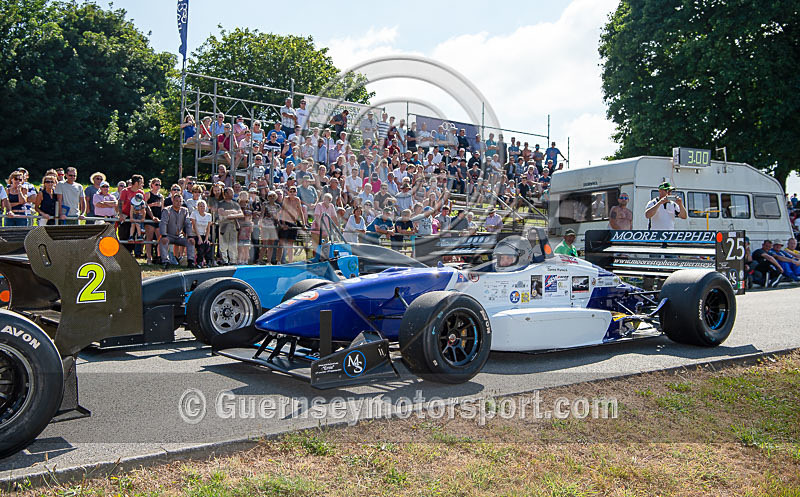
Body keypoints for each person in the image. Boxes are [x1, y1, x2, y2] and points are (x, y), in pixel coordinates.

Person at [158, 193, 196, 268]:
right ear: (173, 201)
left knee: (191, 241)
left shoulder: (185, 211)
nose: (178, 203)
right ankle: (165, 261)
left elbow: (188, 224)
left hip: (179, 236)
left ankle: (191, 261)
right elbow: (163, 223)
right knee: (163, 240)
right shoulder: (167, 210)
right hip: (168, 235)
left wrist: (190, 236)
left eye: (180, 201)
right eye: (176, 201)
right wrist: (164, 235)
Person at [216, 187, 242, 265]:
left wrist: (230, 214)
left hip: (233, 225)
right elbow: (222, 213)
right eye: (231, 192)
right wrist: (233, 212)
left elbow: (241, 214)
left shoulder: (235, 204)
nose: (233, 194)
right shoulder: (221, 203)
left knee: (233, 244)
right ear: (226, 194)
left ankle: (233, 260)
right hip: (224, 225)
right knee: (223, 244)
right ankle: (225, 260)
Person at [191, 199, 213, 268]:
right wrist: (199, 238)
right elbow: (194, 226)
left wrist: (206, 238)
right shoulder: (194, 214)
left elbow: (208, 228)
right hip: (196, 234)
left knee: (208, 244)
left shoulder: (208, 215)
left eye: (203, 206)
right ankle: (199, 262)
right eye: (200, 206)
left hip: (204, 234)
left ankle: (208, 261)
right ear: (197, 207)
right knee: (200, 244)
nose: (202, 208)